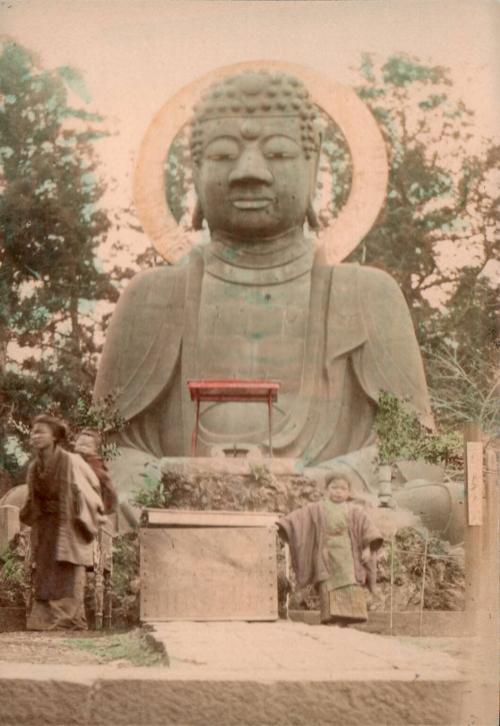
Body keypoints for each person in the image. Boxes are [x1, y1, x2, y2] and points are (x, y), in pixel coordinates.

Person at [94, 70, 432, 502]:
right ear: (194, 172)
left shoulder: (367, 293)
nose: (248, 172)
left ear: (314, 166)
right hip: (179, 506)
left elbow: (417, 454)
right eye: (221, 155)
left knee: (446, 502)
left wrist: (307, 486)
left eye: (278, 153)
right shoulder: (152, 296)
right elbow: (102, 452)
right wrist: (185, 481)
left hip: (330, 503)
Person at [20, 415, 104, 630]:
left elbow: (93, 485)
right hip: (46, 525)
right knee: (45, 572)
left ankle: (70, 621)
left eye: (41, 432)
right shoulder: (33, 467)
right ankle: (46, 622)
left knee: (67, 569)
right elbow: (32, 500)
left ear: (55, 436)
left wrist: (82, 509)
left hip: (70, 523)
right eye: (33, 432)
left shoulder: (72, 461)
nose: (35, 436)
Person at [278, 476, 383, 625]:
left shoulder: (354, 510)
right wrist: (282, 525)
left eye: (342, 489)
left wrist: (367, 548)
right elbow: (298, 518)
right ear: (326, 490)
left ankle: (350, 618)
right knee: (328, 584)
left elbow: (367, 529)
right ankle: (331, 619)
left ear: (348, 492)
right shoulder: (317, 508)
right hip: (326, 553)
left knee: (351, 582)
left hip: (349, 555)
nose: (338, 492)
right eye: (334, 488)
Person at [74, 429, 118, 515]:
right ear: (75, 444)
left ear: (95, 449)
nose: (83, 448)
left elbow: (110, 495)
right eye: (81, 444)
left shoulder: (96, 466)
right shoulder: (68, 461)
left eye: (87, 446)